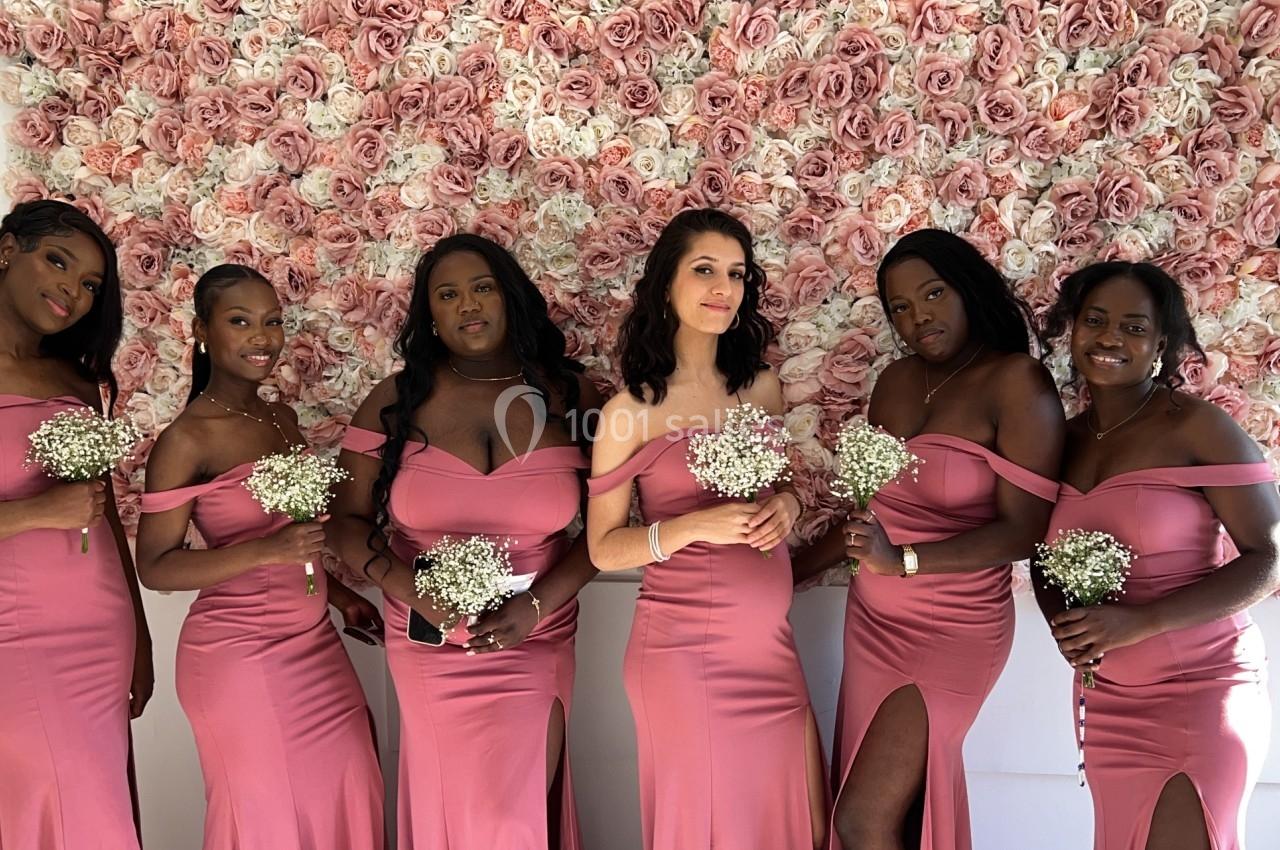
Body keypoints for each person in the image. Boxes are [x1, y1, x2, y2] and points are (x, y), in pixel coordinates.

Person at [792, 229, 1064, 850]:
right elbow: (870, 517)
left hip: (956, 625)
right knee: (890, 818)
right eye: (901, 308)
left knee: (862, 820)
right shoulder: (894, 382)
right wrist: (789, 573)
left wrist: (904, 561)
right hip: (873, 627)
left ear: (967, 290)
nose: (919, 317)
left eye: (933, 294)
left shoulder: (1016, 382)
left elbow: (1024, 529)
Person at [328, 234, 601, 849]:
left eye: (482, 287)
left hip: (537, 634)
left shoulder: (571, 396)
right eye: (446, 295)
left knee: (516, 818)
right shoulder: (393, 402)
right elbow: (343, 522)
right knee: (450, 811)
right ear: (430, 315)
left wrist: (533, 608)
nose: (467, 305)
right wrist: (411, 592)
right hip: (426, 640)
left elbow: (607, 532)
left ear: (509, 297)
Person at [586, 209, 827, 850]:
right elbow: (603, 548)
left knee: (796, 822)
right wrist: (692, 525)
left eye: (737, 274)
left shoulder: (763, 390)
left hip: (772, 651)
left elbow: (779, 490)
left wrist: (792, 507)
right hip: (684, 657)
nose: (724, 286)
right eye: (704, 270)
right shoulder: (628, 411)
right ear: (666, 284)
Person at [135, 264, 384, 849]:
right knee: (267, 820)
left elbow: (293, 538)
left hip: (314, 644)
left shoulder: (281, 418)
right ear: (202, 330)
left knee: (353, 786)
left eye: (272, 322)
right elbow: (156, 566)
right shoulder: (187, 440)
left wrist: (338, 594)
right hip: (238, 658)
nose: (261, 337)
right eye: (240, 321)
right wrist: (267, 550)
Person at [1035, 261, 1279, 850]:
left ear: (1161, 346)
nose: (1110, 337)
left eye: (1134, 327)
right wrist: (1066, 627)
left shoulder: (1197, 427)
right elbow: (1040, 554)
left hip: (1203, 687)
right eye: (1094, 321)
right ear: (1073, 331)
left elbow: (1269, 558)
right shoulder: (1057, 440)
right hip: (1107, 699)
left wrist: (1140, 622)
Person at [0, 199, 153, 850]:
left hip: (102, 628)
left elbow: (106, 512)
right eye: (59, 262)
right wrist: (38, 511)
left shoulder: (76, 379)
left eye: (91, 284)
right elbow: (64, 505)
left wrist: (141, 634)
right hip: (16, 636)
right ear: (7, 250)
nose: (73, 290)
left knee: (96, 808)